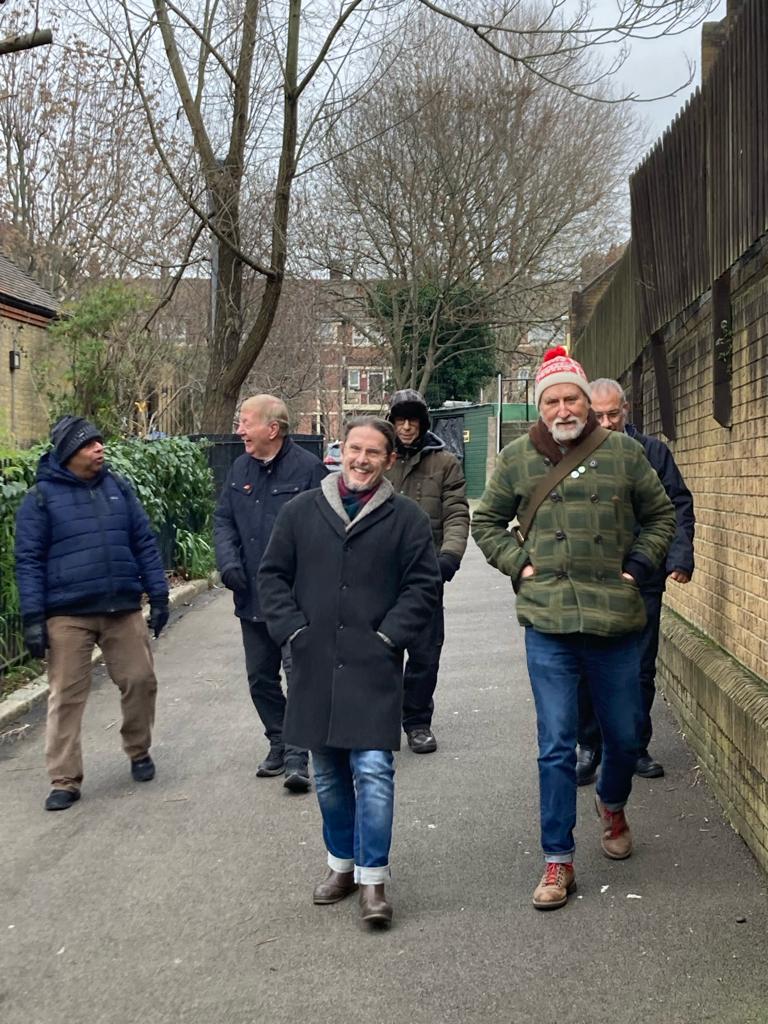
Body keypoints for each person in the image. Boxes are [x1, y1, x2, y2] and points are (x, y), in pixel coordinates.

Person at [472, 347, 676, 910]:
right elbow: (485, 521)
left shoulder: (626, 454)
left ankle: (612, 804)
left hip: (616, 620)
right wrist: (521, 565)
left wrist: (638, 568)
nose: (563, 408)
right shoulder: (516, 458)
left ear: (588, 403)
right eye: (553, 400)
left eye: (572, 398)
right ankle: (557, 859)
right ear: (540, 408)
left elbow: (662, 515)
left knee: (626, 734)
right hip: (549, 622)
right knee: (556, 744)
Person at [258, 417, 440, 927]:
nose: (361, 459)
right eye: (354, 449)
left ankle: (373, 881)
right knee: (330, 776)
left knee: (374, 773)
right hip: (315, 663)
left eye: (373, 453)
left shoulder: (407, 520)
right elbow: (271, 576)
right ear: (341, 452)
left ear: (389, 461)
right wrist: (293, 631)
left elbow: (422, 587)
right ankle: (341, 866)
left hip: (373, 665)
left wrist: (389, 637)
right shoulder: (300, 512)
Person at [14, 415, 169, 812]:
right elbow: (28, 560)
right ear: (69, 453)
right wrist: (34, 618)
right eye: (89, 444)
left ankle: (138, 750)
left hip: (121, 606)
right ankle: (64, 779)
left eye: (99, 442)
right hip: (68, 614)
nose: (100, 448)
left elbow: (143, 543)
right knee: (66, 695)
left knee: (141, 680)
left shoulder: (118, 488)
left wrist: (159, 594)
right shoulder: (41, 499)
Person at [576, 379, 695, 785]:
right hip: (590, 578)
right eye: (599, 416)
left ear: (627, 409)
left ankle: (634, 746)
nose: (607, 423)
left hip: (643, 576)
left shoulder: (652, 452)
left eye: (615, 414)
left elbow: (677, 504)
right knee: (587, 666)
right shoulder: (573, 454)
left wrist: (678, 557)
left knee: (639, 668)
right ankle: (589, 745)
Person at [213, 394, 327, 793]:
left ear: (272, 429)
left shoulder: (309, 470)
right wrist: (228, 564)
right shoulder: (239, 467)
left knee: (299, 676)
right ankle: (277, 741)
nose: (239, 430)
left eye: (245, 422)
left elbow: (324, 530)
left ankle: (298, 756)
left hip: (296, 599)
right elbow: (224, 520)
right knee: (260, 678)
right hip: (251, 596)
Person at [385, 389, 469, 754]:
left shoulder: (444, 462)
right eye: (400, 420)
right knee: (381, 651)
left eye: (412, 420)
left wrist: (448, 558)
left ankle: (417, 722)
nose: (406, 427)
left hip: (426, 572)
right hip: (380, 574)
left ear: (422, 423)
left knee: (424, 654)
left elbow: (456, 513)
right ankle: (379, 720)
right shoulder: (380, 459)